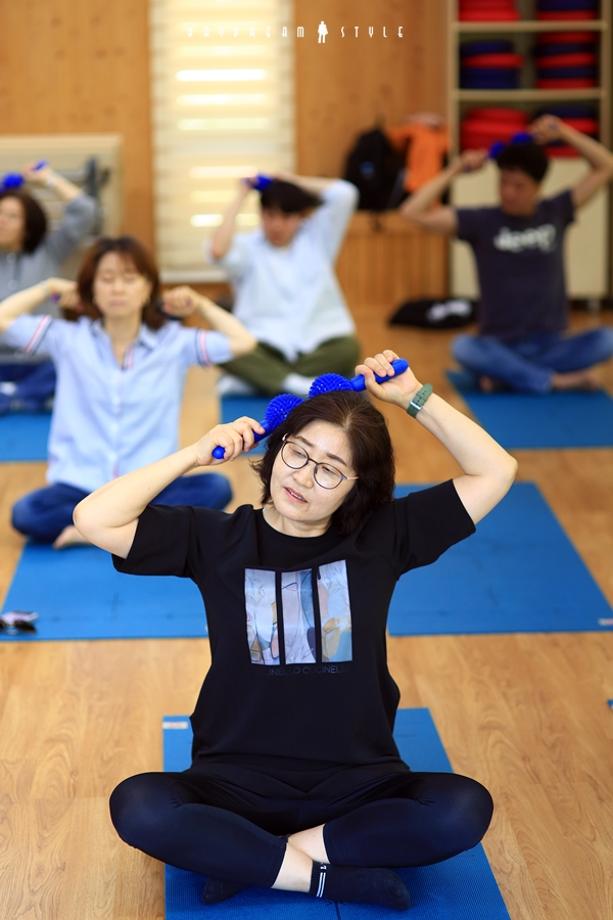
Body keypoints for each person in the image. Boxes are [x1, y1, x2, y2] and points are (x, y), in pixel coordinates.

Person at [73, 349, 517, 910]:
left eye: (330, 470)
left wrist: (413, 397)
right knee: (137, 805)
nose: (303, 477)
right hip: (232, 783)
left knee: (462, 808)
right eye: (297, 452)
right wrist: (193, 455)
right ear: (277, 447)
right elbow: (93, 518)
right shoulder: (215, 539)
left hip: (358, 783)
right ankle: (328, 877)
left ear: (358, 487)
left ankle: (256, 859)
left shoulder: (384, 537)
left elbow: (496, 470)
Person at [0, 235, 256, 547]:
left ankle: (91, 531)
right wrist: (47, 288)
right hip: (80, 487)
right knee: (26, 513)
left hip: (148, 487)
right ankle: (129, 529)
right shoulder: (68, 339)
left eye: (129, 278)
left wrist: (200, 304)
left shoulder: (173, 342)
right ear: (91, 289)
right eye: (107, 279)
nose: (118, 288)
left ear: (148, 288)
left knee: (216, 488)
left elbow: (244, 342)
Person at [400, 115, 613, 393]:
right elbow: (411, 212)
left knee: (606, 340)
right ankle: (552, 381)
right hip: (498, 344)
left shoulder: (556, 211)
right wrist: (455, 169)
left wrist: (564, 132)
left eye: (519, 186)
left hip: (550, 343)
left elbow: (606, 165)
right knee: (463, 347)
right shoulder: (481, 221)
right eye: (503, 183)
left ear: (538, 187)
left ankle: (508, 377)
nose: (509, 193)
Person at [207, 172, 361, 397]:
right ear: (261, 214)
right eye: (270, 215)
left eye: (286, 217)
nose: (276, 225)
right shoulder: (248, 246)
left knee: (349, 349)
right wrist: (241, 195)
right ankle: (295, 384)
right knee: (219, 345)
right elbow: (217, 250)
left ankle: (261, 381)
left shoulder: (317, 237)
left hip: (317, 342)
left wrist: (287, 179)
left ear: (301, 217)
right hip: (263, 342)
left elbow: (346, 193)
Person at [0, 162, 97, 411]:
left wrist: (47, 179)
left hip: (42, 362)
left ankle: (13, 395)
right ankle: (20, 396)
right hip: (2, 361)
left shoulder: (49, 250)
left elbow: (86, 211)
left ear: (28, 224)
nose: (2, 221)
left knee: (72, 365)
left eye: (12, 216)